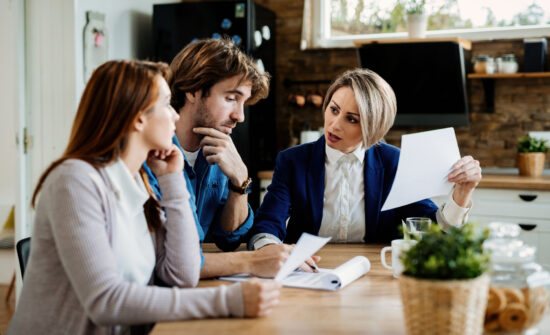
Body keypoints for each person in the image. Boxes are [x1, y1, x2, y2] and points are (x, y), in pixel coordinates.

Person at [8, 60, 280, 335]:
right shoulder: (75, 181)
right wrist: (228, 300)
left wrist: (173, 179)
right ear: (138, 117)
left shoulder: (140, 181)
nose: (175, 116)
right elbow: (105, 301)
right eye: (166, 104)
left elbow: (182, 273)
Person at [248, 68, 481, 250]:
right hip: (306, 269)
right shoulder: (292, 161)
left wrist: (462, 194)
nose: (334, 124)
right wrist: (270, 250)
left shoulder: (393, 162)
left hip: (373, 270)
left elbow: (435, 229)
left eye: (352, 119)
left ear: (374, 128)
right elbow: (267, 224)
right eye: (333, 109)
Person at [144, 38, 299, 279]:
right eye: (231, 98)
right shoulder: (151, 156)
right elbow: (176, 255)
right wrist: (254, 260)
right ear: (193, 90)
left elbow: (230, 238)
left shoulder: (219, 151)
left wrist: (241, 182)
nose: (240, 116)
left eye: (243, 103)